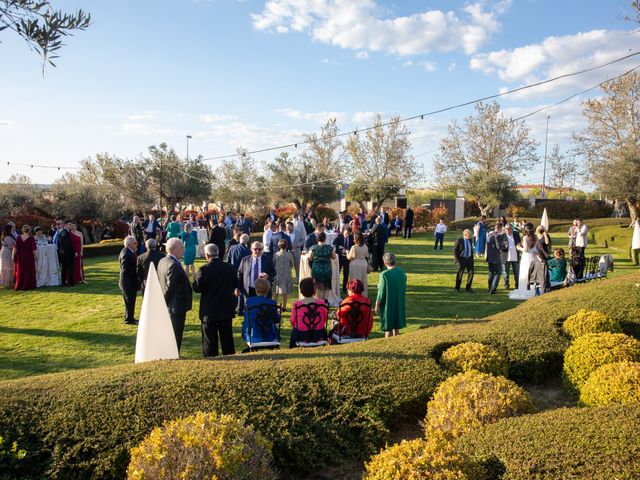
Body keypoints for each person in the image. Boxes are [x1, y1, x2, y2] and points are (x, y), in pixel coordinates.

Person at [193, 243, 240, 357]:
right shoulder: (229, 268)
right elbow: (236, 284)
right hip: (226, 307)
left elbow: (197, 288)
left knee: (210, 339)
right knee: (227, 337)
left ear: (207, 255)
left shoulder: (204, 269)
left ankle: (211, 359)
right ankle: (230, 357)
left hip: (209, 309)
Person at [157, 238, 193, 353]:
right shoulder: (173, 265)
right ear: (172, 249)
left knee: (172, 332)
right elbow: (169, 288)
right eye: (181, 248)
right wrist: (164, 302)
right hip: (175, 306)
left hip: (171, 305)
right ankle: (174, 355)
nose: (183, 250)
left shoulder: (163, 260)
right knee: (176, 333)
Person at [242, 277, 281, 350]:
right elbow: (277, 320)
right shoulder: (272, 303)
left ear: (256, 289)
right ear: (268, 290)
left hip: (252, 336)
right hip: (270, 336)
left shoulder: (249, 301)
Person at [289, 277, 328, 348]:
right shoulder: (321, 303)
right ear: (314, 290)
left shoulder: (297, 304)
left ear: (301, 290)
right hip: (318, 334)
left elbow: (292, 321)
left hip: (301, 335)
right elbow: (324, 319)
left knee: (294, 330)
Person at [375, 252, 406, 338]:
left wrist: (377, 305)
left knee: (388, 328)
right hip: (398, 301)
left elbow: (381, 293)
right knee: (396, 326)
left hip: (388, 304)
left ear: (385, 262)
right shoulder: (402, 272)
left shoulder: (384, 274)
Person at [309, 231, 337, 301]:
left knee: (318, 287)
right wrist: (334, 250)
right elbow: (334, 257)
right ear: (325, 239)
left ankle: (319, 302)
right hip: (327, 269)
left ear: (317, 239)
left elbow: (310, 258)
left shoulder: (313, 248)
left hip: (317, 270)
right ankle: (325, 301)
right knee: (326, 286)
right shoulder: (329, 247)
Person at [118, 236, 140, 325]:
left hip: (129, 282)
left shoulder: (129, 252)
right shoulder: (126, 253)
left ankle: (130, 318)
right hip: (128, 282)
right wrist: (137, 271)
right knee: (129, 301)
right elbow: (125, 269)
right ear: (130, 244)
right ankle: (129, 319)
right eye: (135, 243)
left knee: (130, 301)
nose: (136, 244)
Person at [13, 225, 37, 291]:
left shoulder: (18, 237)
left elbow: (15, 248)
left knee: (20, 270)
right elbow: (34, 250)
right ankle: (28, 284)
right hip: (28, 256)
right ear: (29, 230)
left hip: (20, 255)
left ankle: (20, 284)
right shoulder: (31, 238)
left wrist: (13, 256)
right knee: (28, 270)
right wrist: (36, 257)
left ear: (22, 230)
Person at [486, 222, 506, 294]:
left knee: (491, 273)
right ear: (500, 228)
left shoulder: (489, 234)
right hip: (496, 257)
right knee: (497, 273)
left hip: (490, 256)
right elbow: (498, 247)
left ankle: (489, 288)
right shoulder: (497, 235)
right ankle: (493, 289)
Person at [273, 239, 294, 310]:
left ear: (279, 246)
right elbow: (292, 265)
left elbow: (273, 264)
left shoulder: (275, 255)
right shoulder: (289, 255)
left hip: (278, 275)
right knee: (285, 292)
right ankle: (284, 306)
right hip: (286, 274)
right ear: (287, 246)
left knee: (276, 291)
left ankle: (274, 305)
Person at [347, 232, 370, 296]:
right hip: (363, 263)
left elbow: (350, 257)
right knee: (363, 280)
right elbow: (367, 255)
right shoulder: (365, 246)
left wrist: (347, 252)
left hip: (355, 264)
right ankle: (363, 294)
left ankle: (353, 294)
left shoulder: (354, 247)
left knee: (354, 279)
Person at [333, 227, 354, 293]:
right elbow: (334, 243)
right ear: (343, 231)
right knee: (337, 272)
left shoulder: (351, 238)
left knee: (346, 273)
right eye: (346, 233)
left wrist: (349, 250)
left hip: (347, 257)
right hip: (340, 257)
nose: (347, 235)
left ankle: (344, 288)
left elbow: (354, 246)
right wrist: (339, 246)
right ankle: (336, 287)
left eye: (349, 234)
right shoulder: (339, 237)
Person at [502, 224, 520, 289]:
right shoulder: (502, 236)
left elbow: (519, 243)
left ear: (512, 229)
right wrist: (505, 247)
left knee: (517, 272)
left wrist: (519, 247)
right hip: (505, 256)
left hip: (515, 256)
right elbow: (500, 246)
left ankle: (517, 285)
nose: (508, 230)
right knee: (505, 272)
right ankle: (506, 285)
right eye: (506, 229)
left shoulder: (516, 234)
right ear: (505, 229)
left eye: (509, 228)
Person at [58, 221, 75, 287]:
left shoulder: (63, 232)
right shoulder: (65, 232)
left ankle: (63, 282)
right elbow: (68, 243)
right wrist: (73, 251)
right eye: (69, 224)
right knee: (70, 268)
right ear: (65, 225)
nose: (70, 226)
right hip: (68, 253)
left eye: (71, 224)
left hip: (63, 253)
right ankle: (70, 283)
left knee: (64, 268)